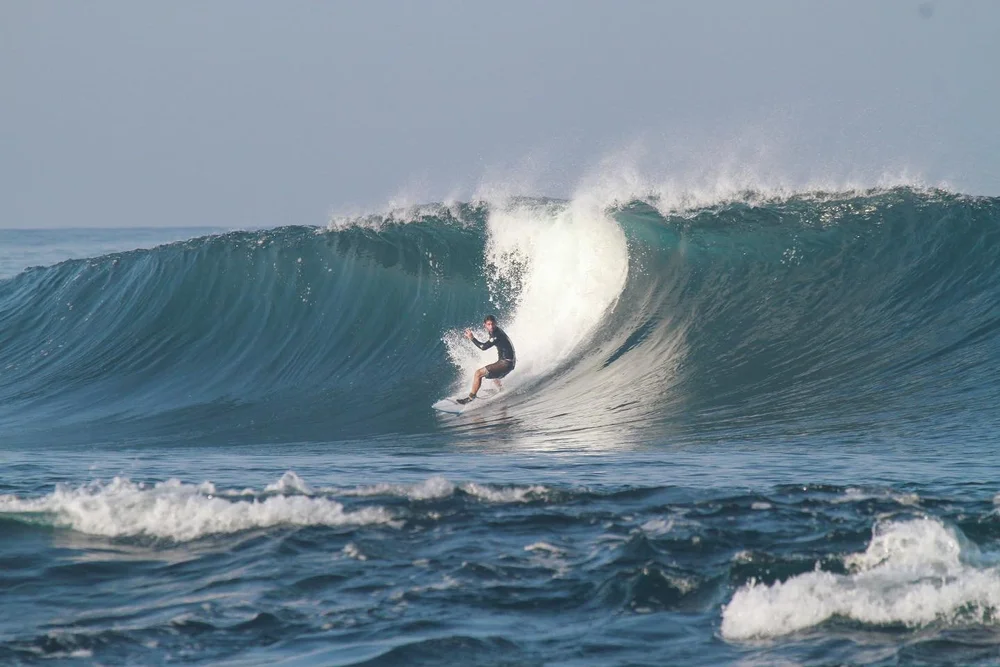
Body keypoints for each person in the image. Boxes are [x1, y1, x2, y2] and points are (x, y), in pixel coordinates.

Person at [456, 315, 516, 404]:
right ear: (484, 325)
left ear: (496, 323)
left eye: (492, 324)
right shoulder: (495, 331)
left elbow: (483, 347)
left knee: (478, 373)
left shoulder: (496, 334)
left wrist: (472, 338)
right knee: (493, 373)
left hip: (506, 363)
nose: (491, 326)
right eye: (488, 324)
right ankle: (501, 390)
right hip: (509, 362)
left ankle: (470, 398)